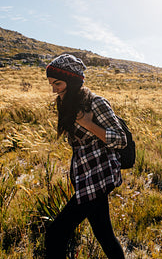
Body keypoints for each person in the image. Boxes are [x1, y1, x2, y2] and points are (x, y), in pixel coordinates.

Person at [44, 54, 126, 259]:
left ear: (71, 82)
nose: (54, 89)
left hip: (98, 175)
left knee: (56, 234)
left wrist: (89, 125)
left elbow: (121, 140)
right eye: (51, 83)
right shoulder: (65, 102)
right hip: (83, 175)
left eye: (58, 83)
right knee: (105, 235)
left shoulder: (96, 103)